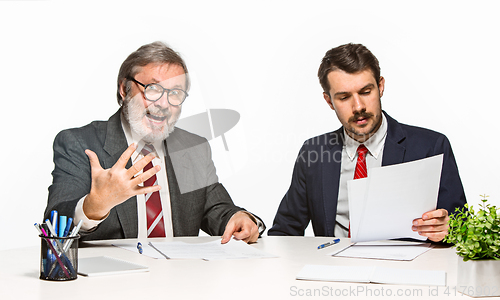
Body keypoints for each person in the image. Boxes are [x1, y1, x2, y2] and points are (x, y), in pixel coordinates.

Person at [44, 41, 264, 243]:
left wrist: (239, 218)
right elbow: (53, 223)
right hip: (111, 283)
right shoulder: (79, 143)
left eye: (175, 93)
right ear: (124, 89)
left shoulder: (193, 147)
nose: (163, 104)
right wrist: (94, 206)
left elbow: (217, 209)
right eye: (153, 89)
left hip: (182, 279)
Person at [268, 43, 466, 242]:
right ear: (329, 101)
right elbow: (284, 233)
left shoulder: (431, 147)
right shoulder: (313, 152)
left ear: (380, 87)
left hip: (403, 270)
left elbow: (463, 228)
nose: (358, 107)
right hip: (333, 269)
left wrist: (449, 229)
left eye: (365, 92)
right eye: (344, 97)